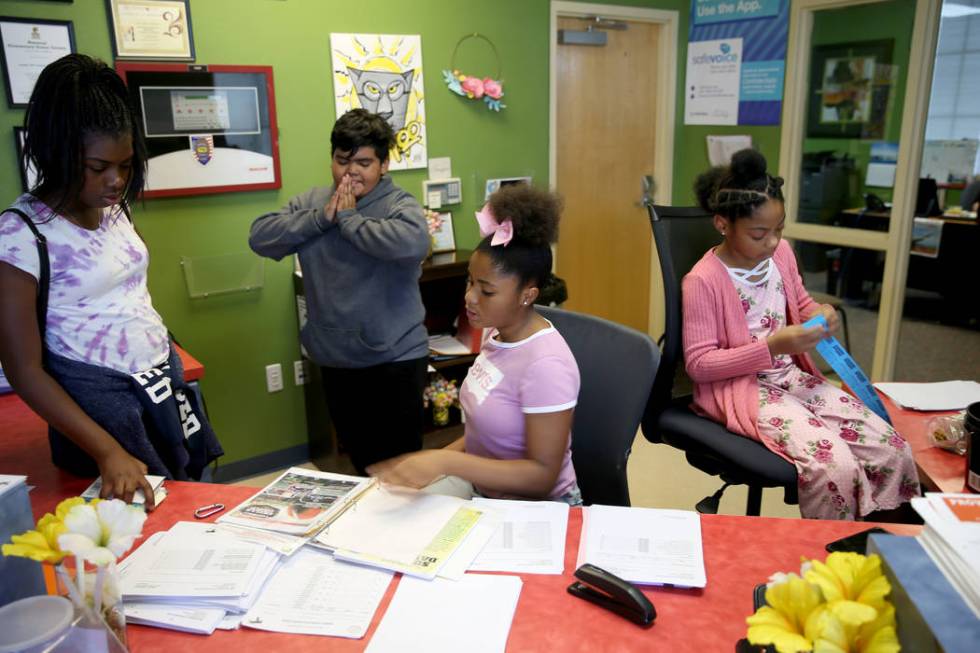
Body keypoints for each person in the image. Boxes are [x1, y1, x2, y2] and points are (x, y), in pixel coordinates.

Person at [0, 54, 221, 506]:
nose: (116, 180)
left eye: (125, 164)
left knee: (190, 507)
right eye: (98, 167)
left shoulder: (113, 208)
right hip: (99, 418)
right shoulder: (20, 235)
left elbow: (129, 292)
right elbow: (23, 370)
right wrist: (107, 450)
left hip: (158, 388)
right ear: (57, 153)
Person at [684, 149, 919, 521]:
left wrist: (819, 314)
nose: (773, 242)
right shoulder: (703, 280)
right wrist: (772, 347)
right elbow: (699, 365)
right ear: (722, 224)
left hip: (789, 376)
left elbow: (801, 301)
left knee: (890, 447)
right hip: (741, 388)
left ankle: (882, 544)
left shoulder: (782, 255)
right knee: (834, 465)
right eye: (759, 234)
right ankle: (830, 558)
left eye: (779, 230)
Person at [367, 186, 583, 505]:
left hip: (539, 509)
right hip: (488, 493)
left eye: (487, 291)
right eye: (470, 281)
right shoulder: (499, 336)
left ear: (528, 295)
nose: (470, 297)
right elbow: (487, 436)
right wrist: (424, 465)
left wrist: (443, 463)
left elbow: (542, 477)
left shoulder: (545, 365)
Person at [249, 109, 430, 474]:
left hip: (395, 360)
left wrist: (350, 221)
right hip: (336, 360)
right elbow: (261, 236)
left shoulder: (399, 205)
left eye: (363, 162)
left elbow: (413, 244)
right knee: (362, 466)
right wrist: (321, 219)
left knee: (403, 469)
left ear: (383, 164)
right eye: (342, 160)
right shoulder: (313, 203)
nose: (351, 172)